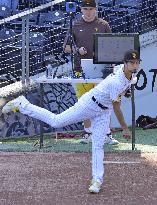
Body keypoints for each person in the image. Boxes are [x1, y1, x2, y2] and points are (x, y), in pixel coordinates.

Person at [2, 49, 140, 193]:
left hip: (104, 111)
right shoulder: (115, 81)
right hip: (90, 104)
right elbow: (117, 108)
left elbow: (126, 86)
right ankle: (23, 104)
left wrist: (127, 90)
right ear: (125, 63)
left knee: (98, 144)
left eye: (137, 63)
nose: (135, 65)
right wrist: (124, 128)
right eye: (132, 63)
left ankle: (97, 180)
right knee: (56, 121)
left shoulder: (131, 76)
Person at [64, 0, 119, 145]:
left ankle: (106, 134)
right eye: (85, 8)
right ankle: (88, 133)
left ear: (95, 9)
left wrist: (111, 66)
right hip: (80, 71)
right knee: (84, 103)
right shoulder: (74, 25)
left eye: (91, 9)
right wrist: (77, 50)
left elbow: (112, 46)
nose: (88, 12)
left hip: (102, 71)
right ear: (81, 9)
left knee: (105, 102)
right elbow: (66, 48)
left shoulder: (103, 24)